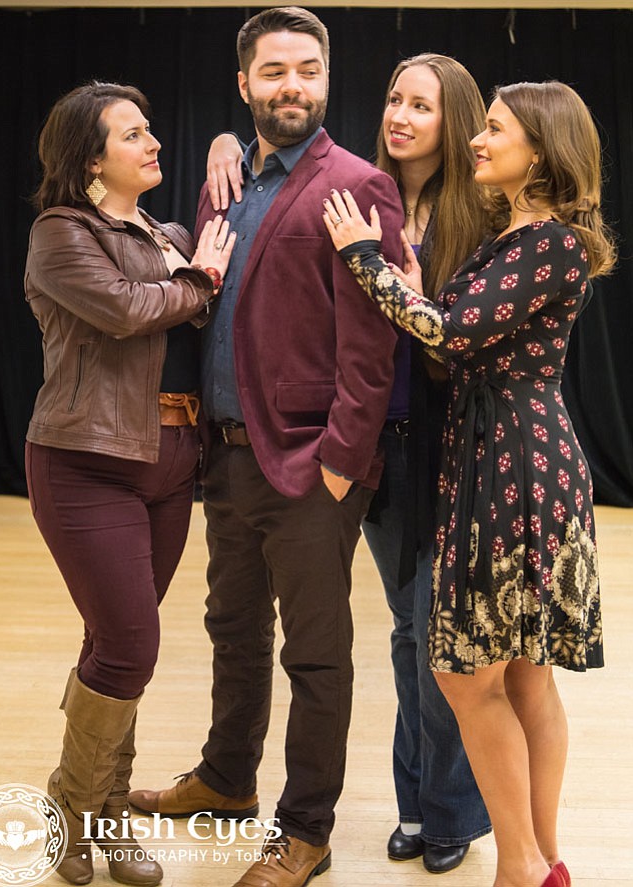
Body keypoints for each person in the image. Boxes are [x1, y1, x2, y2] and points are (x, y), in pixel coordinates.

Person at [127, 8, 403, 887]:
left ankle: (306, 829)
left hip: (310, 465)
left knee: (315, 653)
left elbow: (373, 348)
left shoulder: (358, 185)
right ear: (245, 84)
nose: (294, 86)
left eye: (309, 70)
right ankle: (225, 777)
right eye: (275, 72)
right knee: (233, 629)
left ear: (327, 80)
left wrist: (340, 461)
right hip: (229, 456)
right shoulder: (232, 184)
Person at [205, 53, 492, 874]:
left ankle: (449, 810)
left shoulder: (476, 213)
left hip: (445, 444)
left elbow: (457, 347)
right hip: (379, 448)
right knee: (408, 632)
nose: (400, 116)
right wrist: (230, 140)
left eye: (422, 106)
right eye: (395, 99)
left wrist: (399, 287)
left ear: (456, 120)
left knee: (439, 639)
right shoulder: (369, 188)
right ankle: (417, 802)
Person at [323, 80, 615, 887]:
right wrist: (414, 286)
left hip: (515, 462)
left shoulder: (548, 241)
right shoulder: (510, 236)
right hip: (500, 450)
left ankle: (522, 862)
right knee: (522, 673)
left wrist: (365, 261)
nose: (477, 140)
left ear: (542, 149)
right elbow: (457, 339)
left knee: (465, 671)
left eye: (494, 128)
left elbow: (448, 332)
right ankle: (544, 861)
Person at [25, 81, 235, 886]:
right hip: (85, 460)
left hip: (174, 460)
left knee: (116, 649)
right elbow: (121, 308)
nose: (152, 143)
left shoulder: (170, 233)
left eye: (151, 129)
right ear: (89, 159)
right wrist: (202, 282)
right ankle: (72, 815)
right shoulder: (60, 232)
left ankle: (104, 825)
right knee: (132, 643)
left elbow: (230, 202)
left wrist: (223, 139)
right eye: (132, 134)